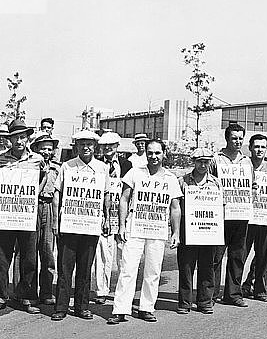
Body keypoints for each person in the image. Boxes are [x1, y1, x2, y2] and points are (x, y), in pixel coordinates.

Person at [108, 139, 182, 324]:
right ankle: (120, 309)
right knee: (127, 268)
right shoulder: (134, 172)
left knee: (153, 270)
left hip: (157, 229)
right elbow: (124, 199)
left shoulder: (170, 178)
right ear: (146, 154)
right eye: (150, 152)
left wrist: (176, 232)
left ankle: (147, 307)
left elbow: (175, 207)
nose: (154, 156)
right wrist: (122, 225)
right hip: (136, 226)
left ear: (164, 154)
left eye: (158, 153)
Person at [0, 119, 45, 314]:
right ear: (9, 139)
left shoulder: (37, 160)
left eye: (22, 137)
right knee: (2, 255)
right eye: (14, 138)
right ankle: (0, 295)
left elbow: (43, 178)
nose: (19, 141)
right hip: (7, 215)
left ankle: (26, 296)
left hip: (27, 214)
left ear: (28, 138)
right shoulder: (1, 160)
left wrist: (35, 195)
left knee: (29, 257)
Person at [51, 130, 110, 321]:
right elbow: (57, 194)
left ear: (95, 147)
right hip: (69, 225)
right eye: (82, 144)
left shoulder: (102, 168)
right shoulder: (67, 167)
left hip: (90, 225)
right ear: (76, 146)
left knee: (85, 268)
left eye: (90, 144)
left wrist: (107, 218)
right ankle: (61, 307)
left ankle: (82, 307)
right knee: (65, 267)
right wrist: (55, 220)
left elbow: (106, 195)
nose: (86, 147)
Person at [207, 123, 253, 307]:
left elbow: (252, 184)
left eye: (240, 138)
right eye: (234, 138)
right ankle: (210, 294)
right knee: (216, 256)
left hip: (240, 215)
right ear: (227, 138)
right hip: (221, 215)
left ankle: (233, 294)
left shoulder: (246, 161)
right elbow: (207, 181)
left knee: (237, 256)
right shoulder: (216, 159)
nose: (237, 141)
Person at [176, 148, 220, 314]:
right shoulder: (183, 181)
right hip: (188, 230)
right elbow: (176, 206)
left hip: (208, 231)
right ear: (193, 161)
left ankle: (205, 302)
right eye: (200, 161)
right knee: (186, 267)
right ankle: (185, 302)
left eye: (206, 161)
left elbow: (219, 207)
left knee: (207, 267)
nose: (203, 165)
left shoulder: (215, 183)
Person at [241, 134, 267, 302]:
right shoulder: (243, 165)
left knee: (263, 256)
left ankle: (260, 290)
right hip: (245, 219)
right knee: (240, 255)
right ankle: (235, 290)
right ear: (250, 148)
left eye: (262, 147)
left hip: (264, 218)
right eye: (256, 146)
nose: (259, 150)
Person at [93, 131, 132, 304]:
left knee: (123, 255)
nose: (107, 148)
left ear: (117, 147)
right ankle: (102, 291)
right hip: (103, 215)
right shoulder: (96, 164)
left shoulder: (127, 165)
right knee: (102, 254)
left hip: (123, 214)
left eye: (111, 145)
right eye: (104, 146)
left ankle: (122, 292)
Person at [30, 132, 60, 305]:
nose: (46, 152)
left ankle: (47, 292)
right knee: (27, 251)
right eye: (43, 149)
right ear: (35, 149)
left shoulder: (57, 167)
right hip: (31, 207)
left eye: (49, 149)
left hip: (49, 206)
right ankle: (26, 291)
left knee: (48, 251)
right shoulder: (30, 164)